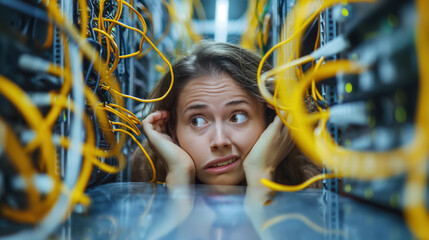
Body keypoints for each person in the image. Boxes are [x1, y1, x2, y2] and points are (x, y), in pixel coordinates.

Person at [131, 40, 322, 187]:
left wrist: (261, 173)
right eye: (197, 121)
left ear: (270, 119)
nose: (220, 141)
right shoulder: (144, 172)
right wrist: (179, 175)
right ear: (172, 129)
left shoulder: (316, 178)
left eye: (237, 117)